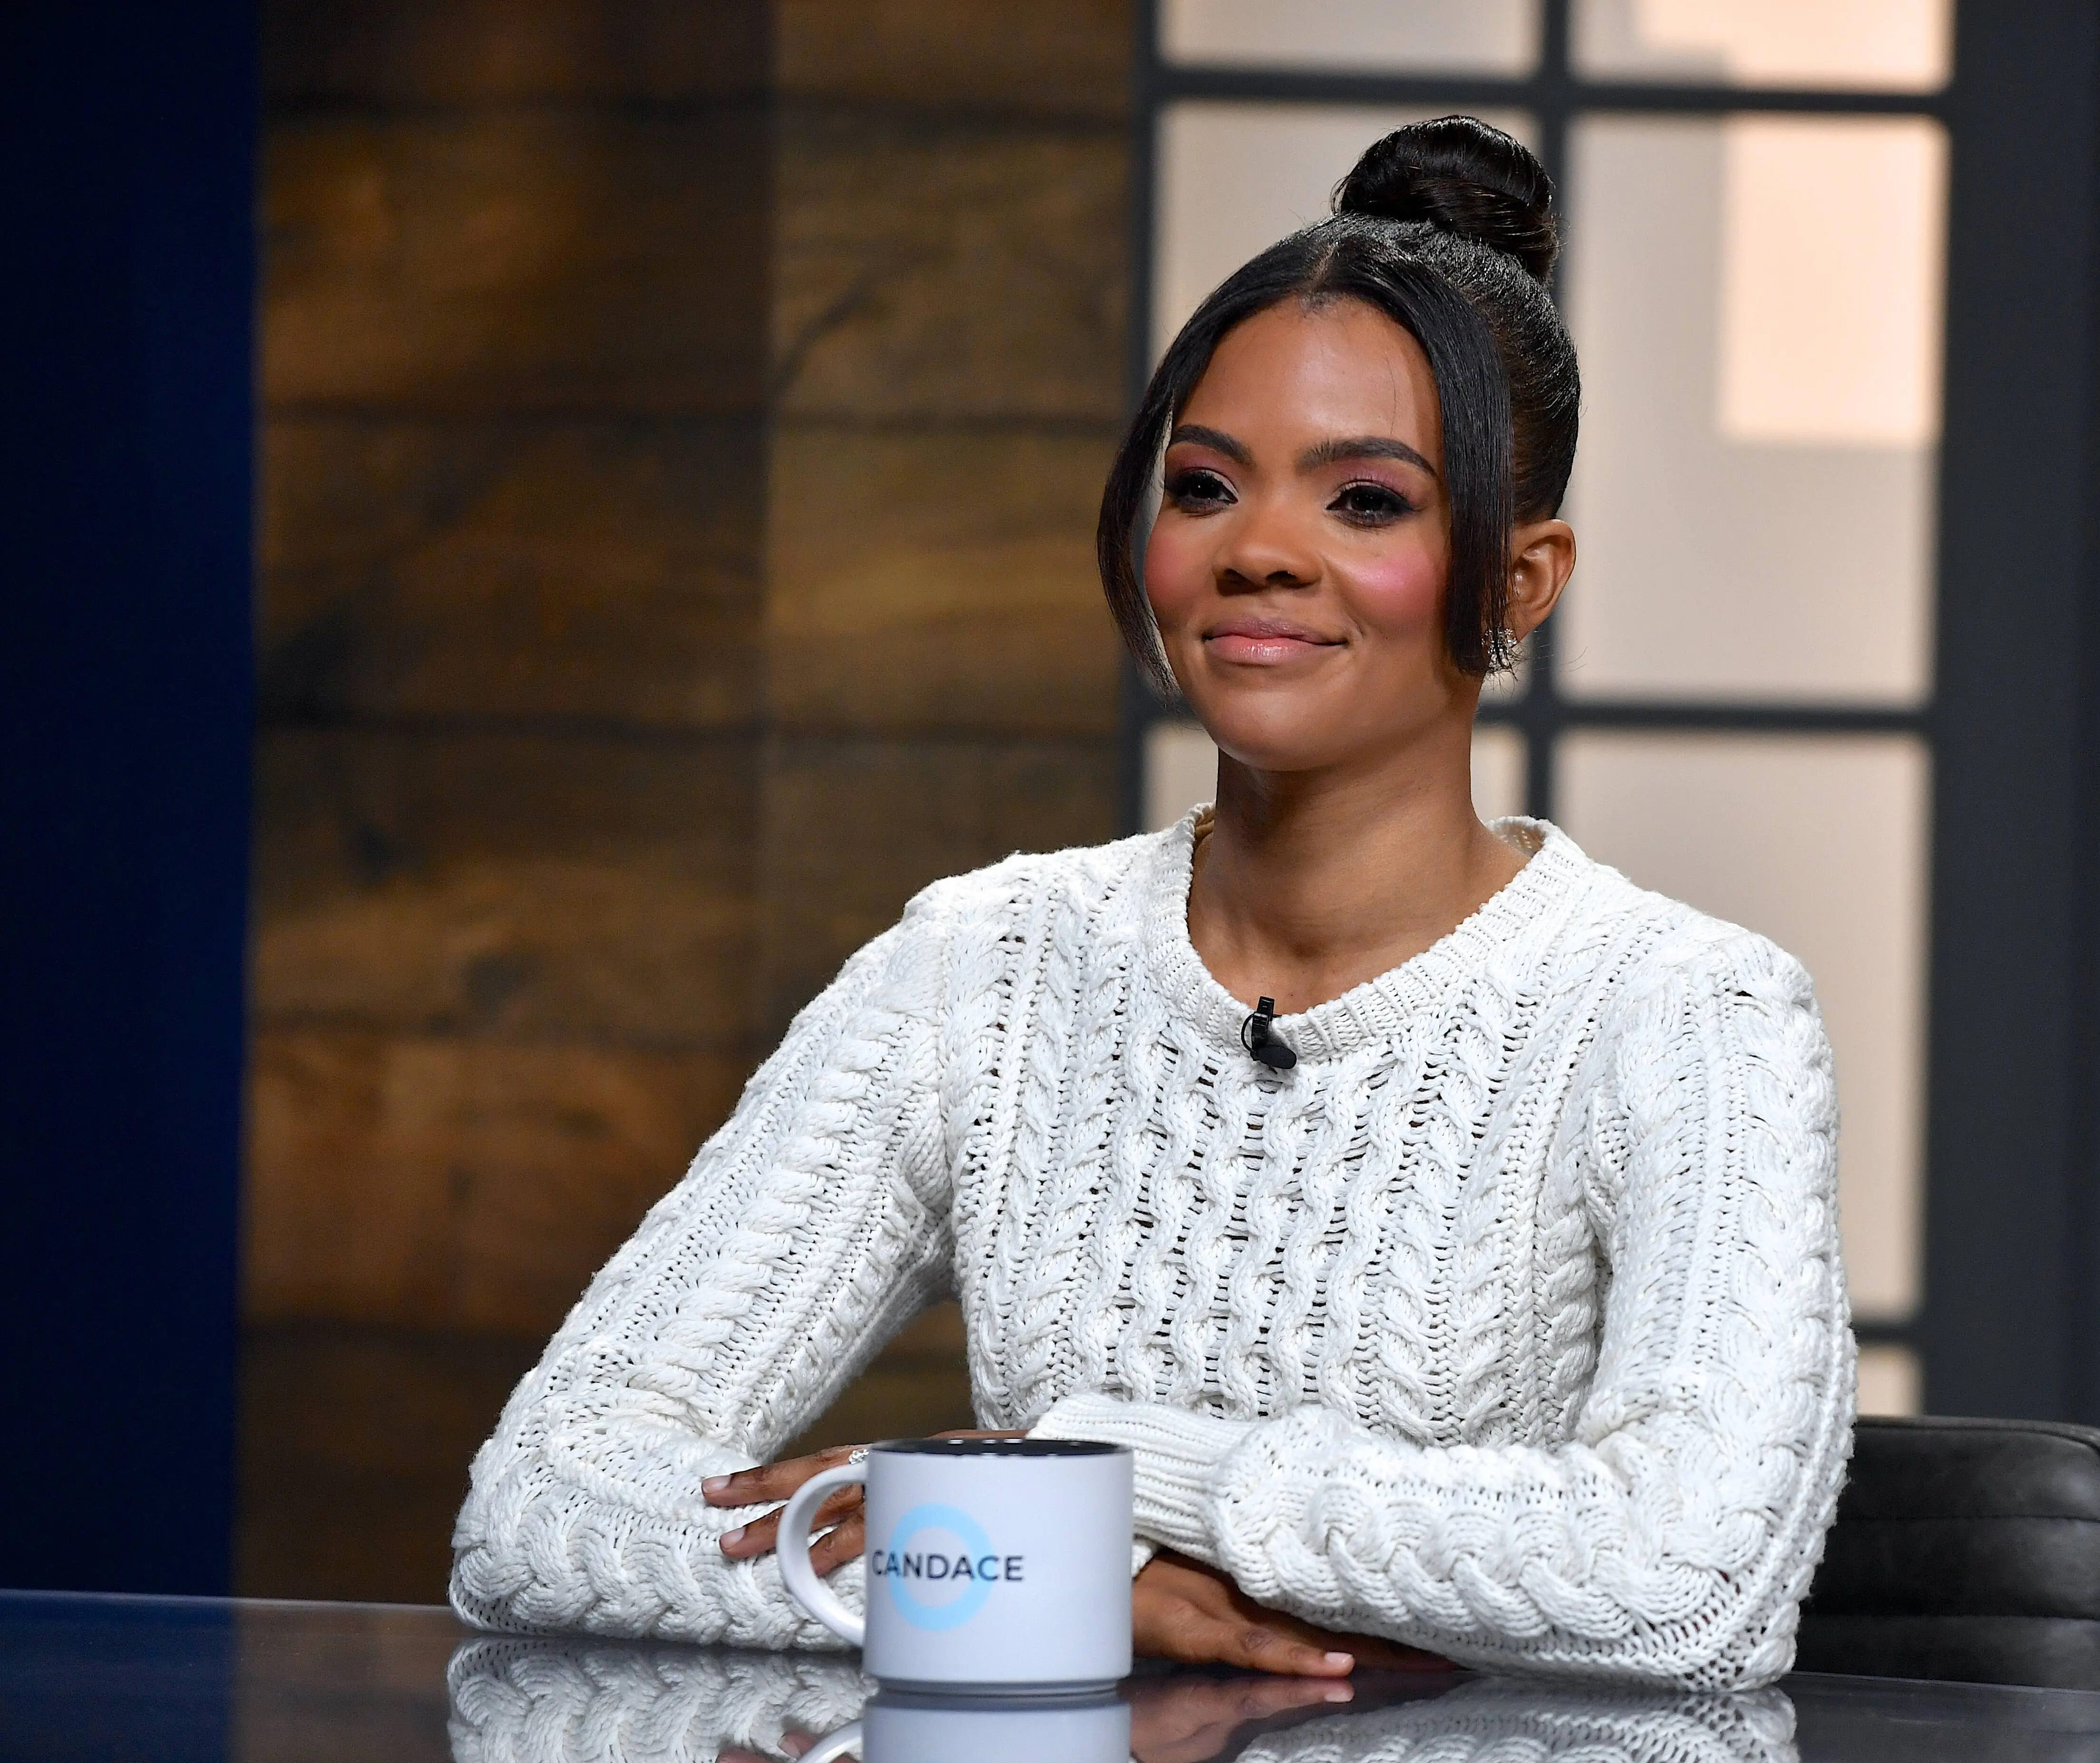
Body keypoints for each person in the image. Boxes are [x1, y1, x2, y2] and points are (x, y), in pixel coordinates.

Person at [450, 115, 1854, 1690]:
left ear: (1522, 582)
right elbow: (543, 1500)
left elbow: (1689, 1584)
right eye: (1204, 486)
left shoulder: (1687, 1011)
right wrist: (1049, 1584)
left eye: (1367, 502)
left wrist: (1102, 1461)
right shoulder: (983, 968)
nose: (1260, 553)